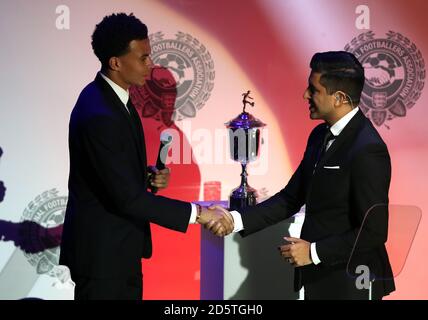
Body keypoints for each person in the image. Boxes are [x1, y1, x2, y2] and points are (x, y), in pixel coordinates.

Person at [59, 13, 232, 300]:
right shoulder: (100, 113)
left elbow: (113, 179)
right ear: (116, 62)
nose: (150, 65)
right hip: (104, 259)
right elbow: (126, 198)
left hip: (118, 252)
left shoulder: (114, 99)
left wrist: (146, 176)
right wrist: (200, 213)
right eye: (143, 58)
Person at [210, 51, 395, 300]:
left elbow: (373, 230)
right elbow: (290, 198)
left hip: (353, 283)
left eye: (314, 90)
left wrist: (314, 252)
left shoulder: (367, 149)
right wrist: (235, 220)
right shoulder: (319, 136)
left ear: (339, 98)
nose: (305, 95)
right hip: (318, 278)